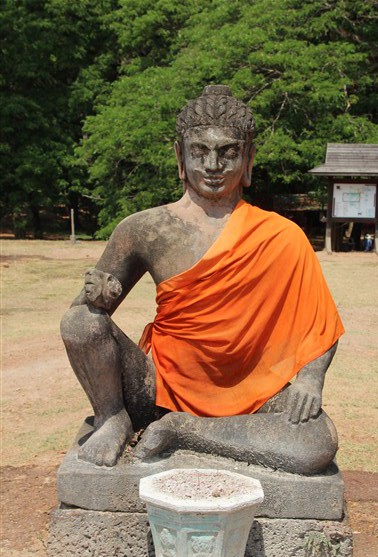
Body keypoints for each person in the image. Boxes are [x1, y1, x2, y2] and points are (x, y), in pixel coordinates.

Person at [61, 85, 344, 474]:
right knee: (79, 322)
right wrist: (97, 298)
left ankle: (185, 431)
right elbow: (85, 322)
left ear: (248, 158)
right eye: (199, 152)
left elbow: (319, 323)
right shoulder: (145, 229)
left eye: (228, 152)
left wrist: (310, 379)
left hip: (253, 393)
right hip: (160, 386)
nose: (213, 165)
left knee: (316, 442)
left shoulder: (280, 235)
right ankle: (113, 418)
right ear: (180, 156)